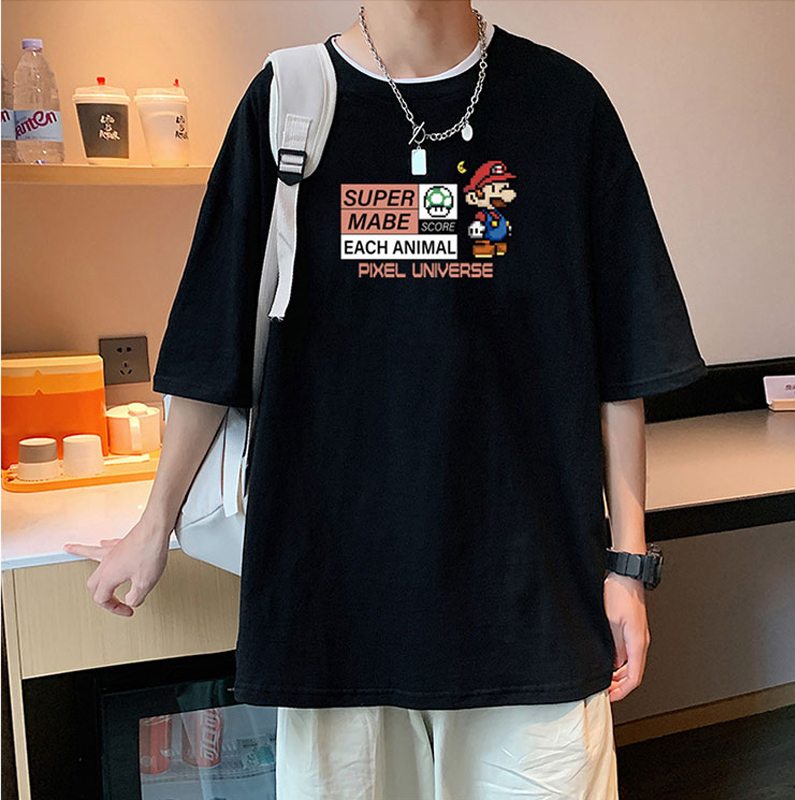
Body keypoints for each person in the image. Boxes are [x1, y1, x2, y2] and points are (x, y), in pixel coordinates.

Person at [64, 2, 708, 797]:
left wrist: (627, 566)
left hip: (531, 598)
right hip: (336, 598)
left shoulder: (564, 104)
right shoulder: (288, 100)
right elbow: (211, 337)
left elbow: (624, 359)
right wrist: (154, 521)